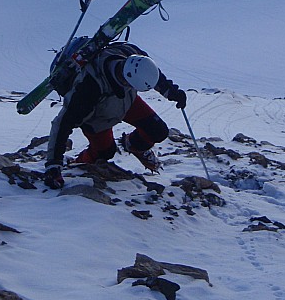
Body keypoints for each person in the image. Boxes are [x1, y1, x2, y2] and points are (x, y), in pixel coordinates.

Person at [43, 41, 187, 189]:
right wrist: (53, 165)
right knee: (105, 153)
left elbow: (151, 73)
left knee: (158, 130)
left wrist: (171, 92)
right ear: (128, 81)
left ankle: (133, 145)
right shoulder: (89, 89)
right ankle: (79, 165)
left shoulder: (130, 53)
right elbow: (62, 124)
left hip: (127, 102)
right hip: (97, 118)